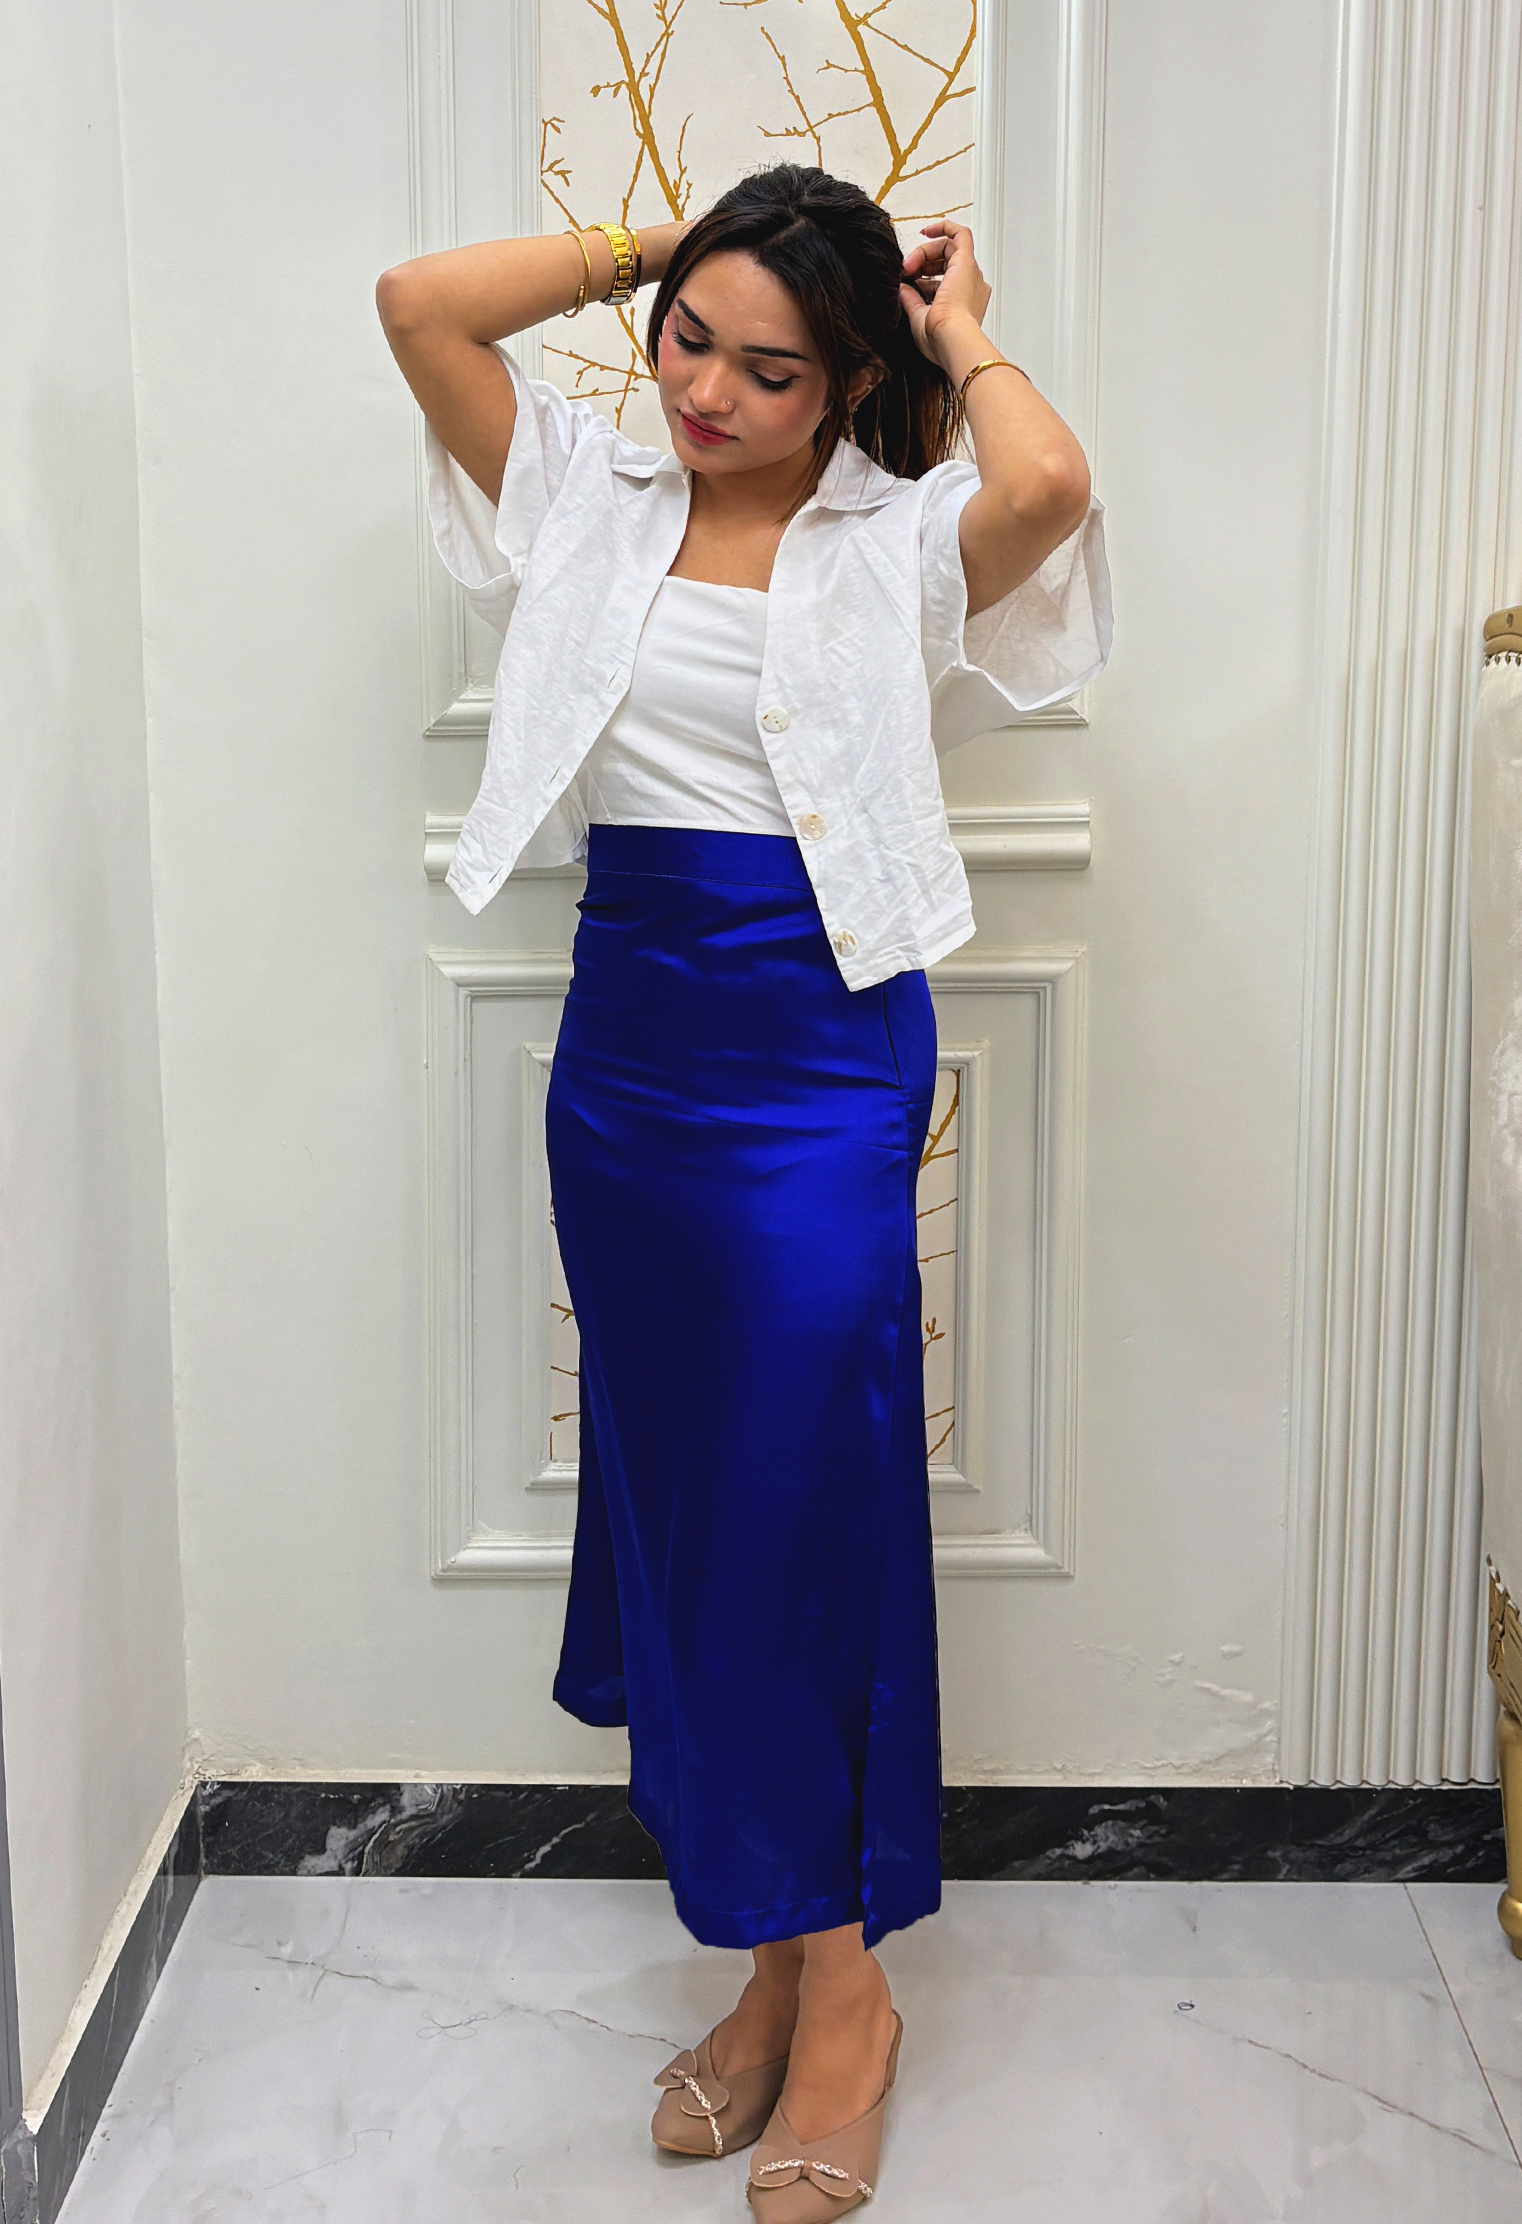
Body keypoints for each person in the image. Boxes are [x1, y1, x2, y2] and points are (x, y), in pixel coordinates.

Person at [377, 163, 1110, 2217]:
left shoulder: (901, 542)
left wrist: (953, 323)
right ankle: (779, 1967)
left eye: (767, 368)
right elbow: (422, 302)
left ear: (847, 380)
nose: (702, 390)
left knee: (802, 1508)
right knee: (692, 1505)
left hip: (814, 1051)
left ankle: (848, 1991)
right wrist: (664, 243)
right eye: (686, 342)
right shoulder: (584, 495)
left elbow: (1048, 484)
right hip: (629, 1058)